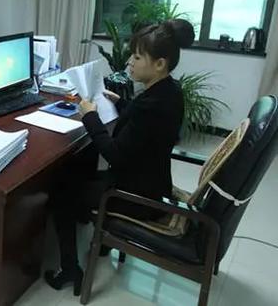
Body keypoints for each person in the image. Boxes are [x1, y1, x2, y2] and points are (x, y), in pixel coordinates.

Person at [44, 19, 195, 296]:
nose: (129, 62)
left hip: (134, 197)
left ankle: (70, 269)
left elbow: (114, 154)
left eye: (137, 57)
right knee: (76, 168)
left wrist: (90, 116)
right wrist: (122, 103)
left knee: (61, 192)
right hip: (151, 182)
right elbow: (146, 128)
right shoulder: (169, 92)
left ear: (159, 64)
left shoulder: (150, 105)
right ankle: (98, 236)